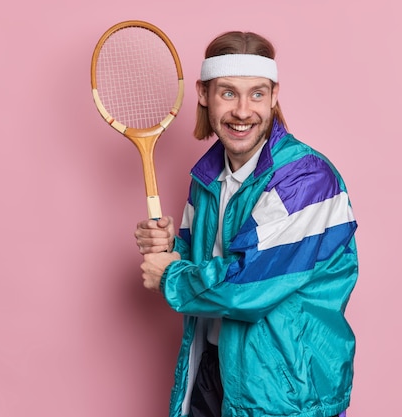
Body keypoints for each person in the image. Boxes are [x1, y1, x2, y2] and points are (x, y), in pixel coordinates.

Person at [135, 31, 358, 417]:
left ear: (274, 97)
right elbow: (201, 261)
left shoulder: (306, 181)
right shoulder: (206, 178)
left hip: (284, 391)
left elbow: (247, 287)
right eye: (228, 93)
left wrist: (170, 276)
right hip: (214, 370)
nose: (242, 111)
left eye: (256, 93)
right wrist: (170, 247)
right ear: (204, 94)